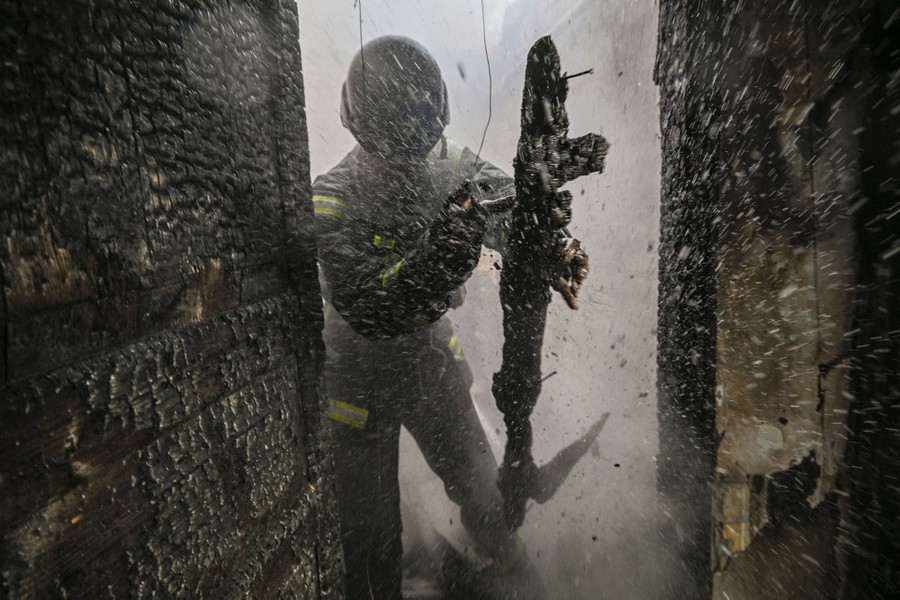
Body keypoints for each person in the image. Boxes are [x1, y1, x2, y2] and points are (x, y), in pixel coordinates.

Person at [312, 35, 584, 599]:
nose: (413, 167)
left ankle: (517, 586)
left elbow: (517, 207)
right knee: (369, 552)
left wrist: (550, 244)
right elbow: (369, 307)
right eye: (398, 156)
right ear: (361, 135)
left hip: (431, 363)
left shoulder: (449, 165)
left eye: (424, 149)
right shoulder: (330, 197)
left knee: (491, 505)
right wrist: (437, 260)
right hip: (355, 387)